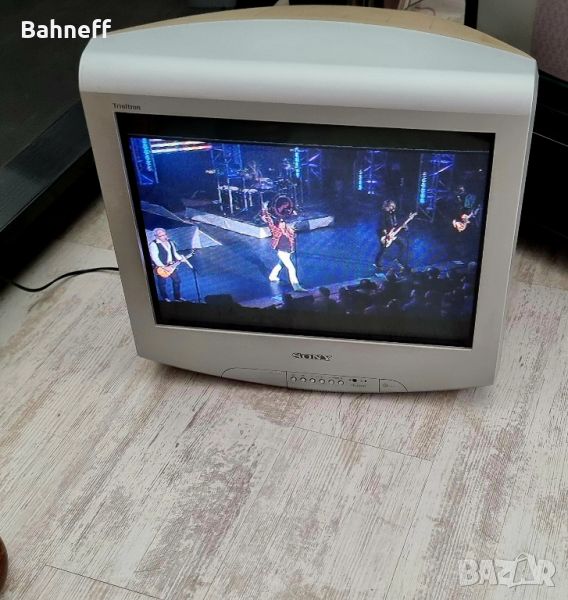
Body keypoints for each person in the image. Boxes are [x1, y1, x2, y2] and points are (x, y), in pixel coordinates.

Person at [260, 203, 306, 292]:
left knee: (280, 264)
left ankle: (272, 276)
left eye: (283, 222)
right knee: (291, 268)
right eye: (281, 222)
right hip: (282, 252)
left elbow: (293, 229)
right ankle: (296, 286)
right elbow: (268, 220)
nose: (282, 224)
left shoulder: (288, 231)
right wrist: (264, 209)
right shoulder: (275, 230)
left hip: (288, 252)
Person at [148, 228, 192, 302]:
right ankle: (165, 298)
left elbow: (174, 253)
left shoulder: (170, 242)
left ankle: (177, 297)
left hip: (171, 265)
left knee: (177, 280)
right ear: (156, 236)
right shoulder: (153, 244)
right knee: (162, 283)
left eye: (165, 234)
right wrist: (164, 267)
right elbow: (155, 258)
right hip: (161, 267)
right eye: (161, 235)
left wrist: (181, 259)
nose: (164, 237)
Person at [374, 200, 409, 271]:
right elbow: (382, 225)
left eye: (393, 207)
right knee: (383, 249)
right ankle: (377, 264)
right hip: (384, 234)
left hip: (392, 234)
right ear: (386, 207)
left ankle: (399, 259)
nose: (392, 209)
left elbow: (395, 224)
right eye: (391, 207)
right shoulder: (382, 214)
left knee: (403, 244)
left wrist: (404, 227)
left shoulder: (393, 214)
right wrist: (386, 234)